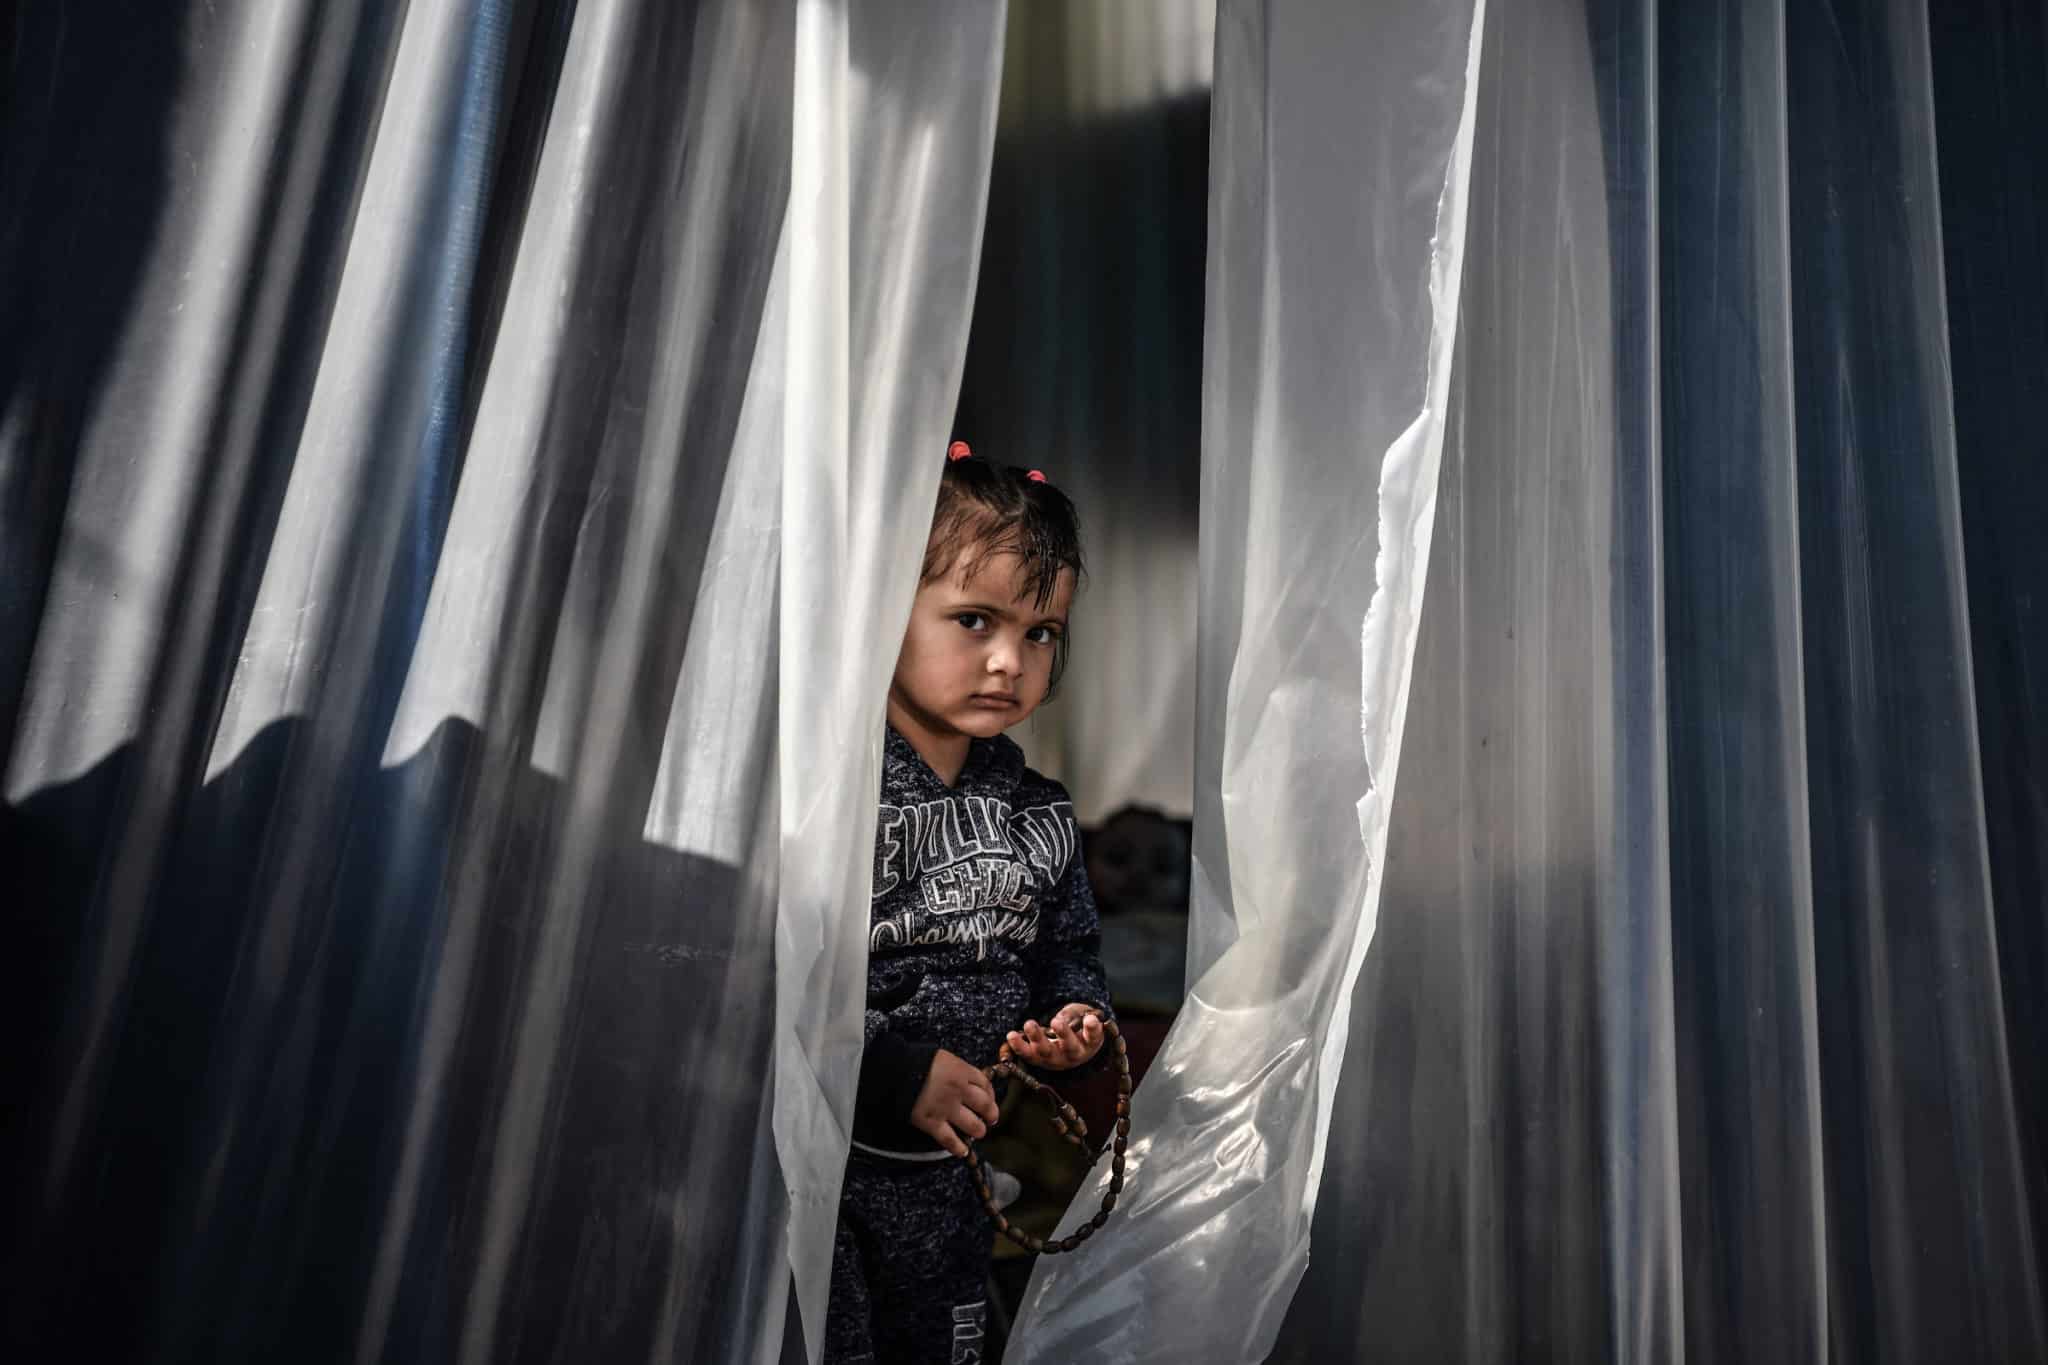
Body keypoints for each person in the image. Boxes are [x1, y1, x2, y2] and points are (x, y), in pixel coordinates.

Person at [824, 441, 1113, 1365]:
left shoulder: (1038, 812)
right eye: (974, 619)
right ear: (882, 609)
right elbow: (763, 986)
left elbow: (1067, 956)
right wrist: (889, 1071)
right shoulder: (831, 798)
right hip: (827, 1182)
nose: (1008, 662)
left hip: (952, 1190)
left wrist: (1076, 1026)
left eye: (1040, 633)